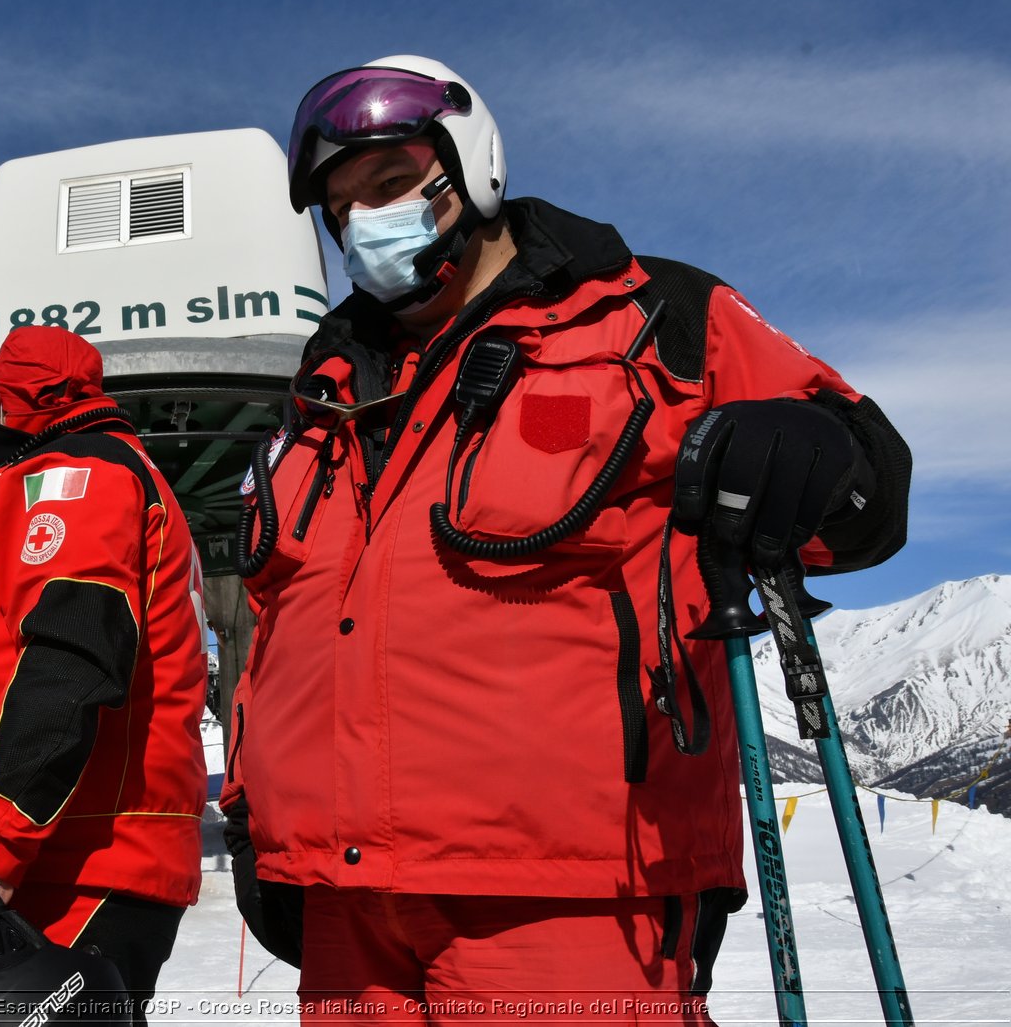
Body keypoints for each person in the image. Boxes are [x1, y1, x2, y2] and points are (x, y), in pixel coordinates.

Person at [221, 55, 911, 1025]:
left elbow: (868, 493)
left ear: (472, 167)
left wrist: (813, 448)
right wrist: (258, 822)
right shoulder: (326, 393)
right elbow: (278, 628)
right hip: (345, 913)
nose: (363, 223)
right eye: (340, 210)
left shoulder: (647, 318)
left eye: (390, 184)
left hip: (573, 897)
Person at [0, 325, 208, 1024]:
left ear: (16, 403)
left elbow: (67, 661)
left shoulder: (78, 478)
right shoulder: (115, 474)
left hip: (80, 856)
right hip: (69, 847)